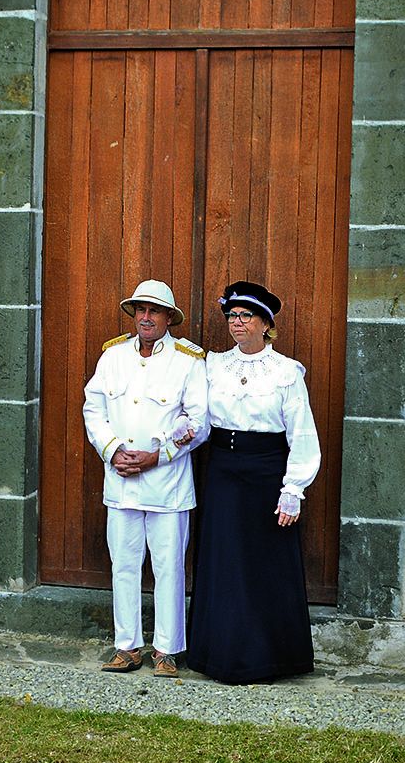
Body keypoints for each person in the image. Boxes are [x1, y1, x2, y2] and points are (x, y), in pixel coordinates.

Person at [187, 281, 321, 684]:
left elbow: (302, 433)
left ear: (266, 324)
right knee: (225, 561)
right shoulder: (212, 366)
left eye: (246, 316)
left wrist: (293, 489)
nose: (237, 323)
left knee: (265, 565)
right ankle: (221, 655)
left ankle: (269, 657)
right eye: (232, 316)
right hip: (225, 471)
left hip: (267, 474)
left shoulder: (285, 373)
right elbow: (198, 419)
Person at [81, 280, 208, 676]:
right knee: (124, 563)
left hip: (166, 483)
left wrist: (160, 454)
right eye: (140, 310)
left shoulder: (188, 360)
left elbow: (198, 421)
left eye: (154, 311)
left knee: (168, 565)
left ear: (169, 317)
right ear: (133, 314)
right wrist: (112, 449)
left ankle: (168, 650)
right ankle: (127, 646)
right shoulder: (113, 357)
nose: (146, 318)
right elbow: (93, 409)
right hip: (120, 479)